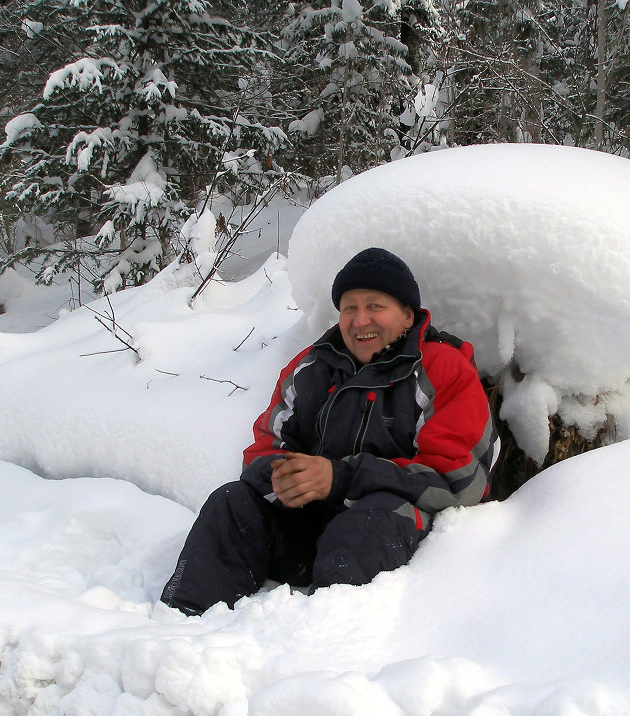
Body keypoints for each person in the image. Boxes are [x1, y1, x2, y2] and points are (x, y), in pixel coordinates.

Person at [160, 247, 500, 615]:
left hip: (397, 528)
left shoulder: (442, 369)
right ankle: (179, 624)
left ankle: (322, 648)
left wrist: (340, 477)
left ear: (407, 316)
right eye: (349, 308)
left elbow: (460, 481)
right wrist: (286, 476)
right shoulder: (312, 366)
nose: (359, 319)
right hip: (313, 526)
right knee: (232, 502)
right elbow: (264, 450)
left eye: (375, 306)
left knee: (367, 523)